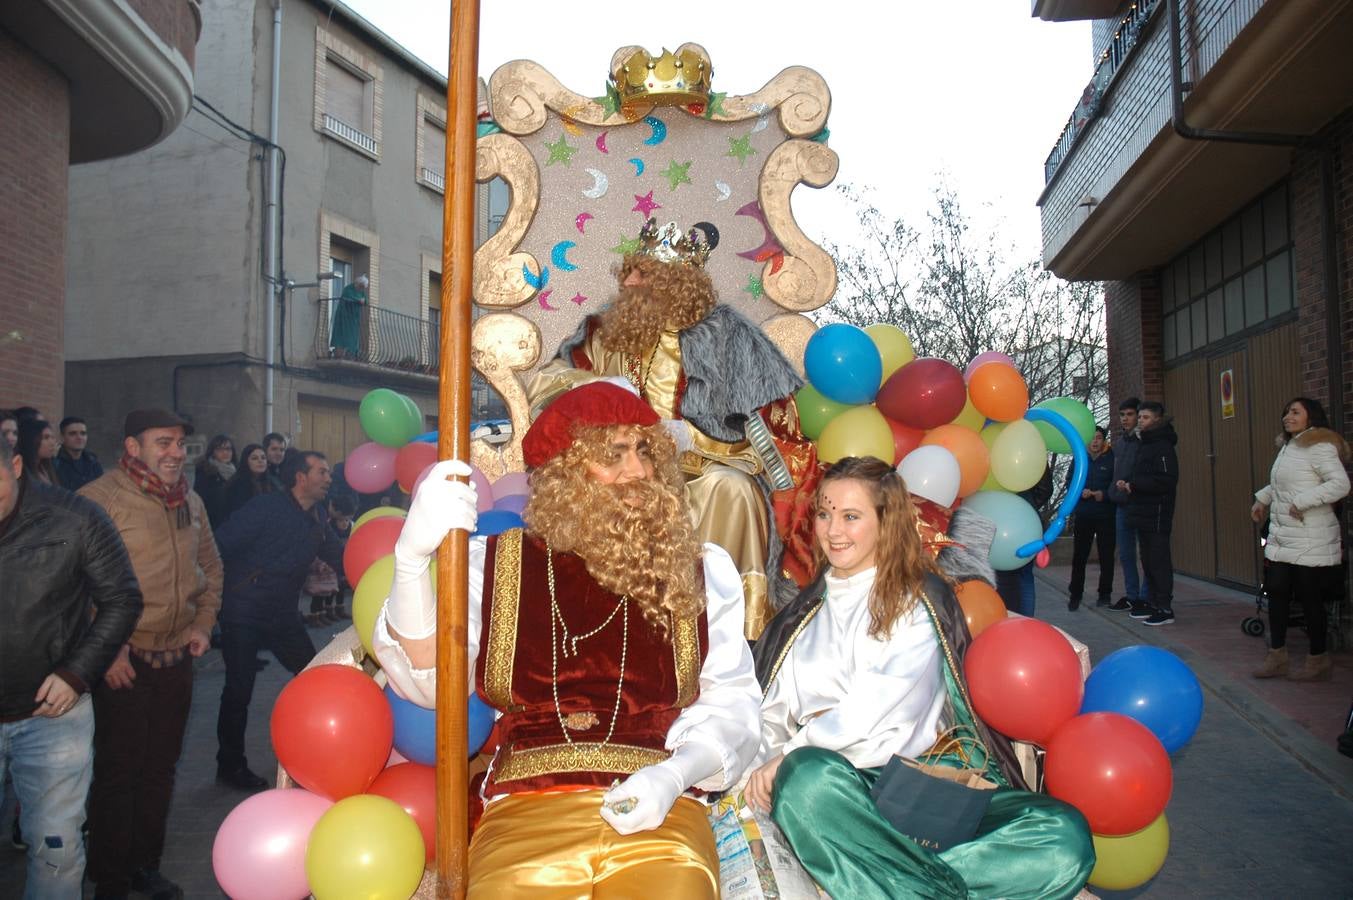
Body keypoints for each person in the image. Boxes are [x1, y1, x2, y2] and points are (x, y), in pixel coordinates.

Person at [374, 382, 761, 897]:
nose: (639, 472)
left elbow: (734, 705)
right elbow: (428, 684)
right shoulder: (492, 565)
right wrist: (410, 562)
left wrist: (675, 775)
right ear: (563, 474)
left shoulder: (702, 571)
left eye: (645, 451)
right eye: (613, 455)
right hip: (526, 811)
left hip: (661, 808)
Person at [745, 456, 1094, 899]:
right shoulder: (804, 611)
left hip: (920, 787)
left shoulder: (918, 600)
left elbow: (878, 708)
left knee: (1064, 836)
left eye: (851, 516)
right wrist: (762, 764)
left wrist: (792, 752)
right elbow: (771, 711)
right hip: (840, 799)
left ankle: (892, 882)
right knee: (804, 781)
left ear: (886, 522)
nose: (833, 530)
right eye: (824, 513)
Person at [527, 218, 817, 637]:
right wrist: (601, 386)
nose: (627, 281)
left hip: (701, 474)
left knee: (733, 491)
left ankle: (730, 634)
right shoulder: (603, 335)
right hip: (619, 477)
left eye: (641, 273)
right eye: (627, 270)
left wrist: (691, 440)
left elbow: (770, 430)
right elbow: (543, 385)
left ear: (673, 282)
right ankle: (611, 631)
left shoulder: (726, 338)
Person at [79, 409, 223, 900]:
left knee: (160, 769)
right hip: (122, 660)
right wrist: (107, 651)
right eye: (164, 442)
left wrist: (203, 623)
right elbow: (78, 586)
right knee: (119, 772)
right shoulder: (98, 500)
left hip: (176, 659)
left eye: (181, 443)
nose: (176, 453)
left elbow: (212, 567)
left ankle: (146, 866)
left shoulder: (192, 501)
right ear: (133, 447)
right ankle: (111, 878)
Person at [0, 436, 143, 898]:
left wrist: (75, 673)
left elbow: (122, 598)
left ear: (17, 465)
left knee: (56, 849)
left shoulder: (75, 517)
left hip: (52, 717)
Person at [213, 450, 344, 790]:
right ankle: (229, 765)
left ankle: (321, 749)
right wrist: (218, 596)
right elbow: (220, 545)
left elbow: (340, 557)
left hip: (282, 615)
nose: (329, 478)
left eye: (329, 472)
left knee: (312, 677)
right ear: (301, 477)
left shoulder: (318, 518)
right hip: (244, 611)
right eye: (322, 471)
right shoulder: (265, 507)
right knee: (238, 691)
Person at [1251, 397, 1349, 681]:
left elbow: (1340, 484)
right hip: (1283, 535)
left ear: (1311, 417)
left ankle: (1318, 659)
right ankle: (1277, 656)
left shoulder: (1319, 446)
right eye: (1286, 413)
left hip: (1310, 536)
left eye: (1295, 412)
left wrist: (1304, 501)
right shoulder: (1289, 446)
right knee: (1277, 591)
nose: (1287, 417)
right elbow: (1283, 484)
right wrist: (1262, 499)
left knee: (1309, 598)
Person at [1116, 400, 1179, 626]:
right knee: (1148, 559)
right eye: (1139, 417)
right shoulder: (1144, 443)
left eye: (1144, 418)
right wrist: (1129, 483)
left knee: (1159, 559)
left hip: (1157, 511)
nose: (1139, 421)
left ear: (1157, 420)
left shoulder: (1162, 445)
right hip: (1141, 509)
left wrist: (1136, 485)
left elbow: (1165, 480)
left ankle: (1164, 606)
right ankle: (1152, 602)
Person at [1066, 426, 1116, 610]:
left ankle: (1105, 594)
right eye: (1092, 438)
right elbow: (1069, 482)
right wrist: (1081, 492)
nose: (1095, 442)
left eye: (1098, 438)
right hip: (1084, 514)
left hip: (1106, 514)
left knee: (1106, 556)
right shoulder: (1080, 457)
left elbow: (1115, 484)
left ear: (1104, 440)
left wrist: (1104, 494)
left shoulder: (1112, 457)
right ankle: (1075, 594)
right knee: (1080, 556)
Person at [995, 460, 1053, 617]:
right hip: (1025, 521)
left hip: (996, 517)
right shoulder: (1030, 443)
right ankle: (1025, 624)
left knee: (1001, 578)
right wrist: (1028, 506)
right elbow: (1046, 489)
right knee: (1024, 577)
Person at [1106, 397, 1148, 612]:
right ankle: (1132, 595)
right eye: (1122, 415)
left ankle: (1145, 596)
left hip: (1139, 503)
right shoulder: (1120, 443)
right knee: (1125, 553)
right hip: (1121, 503)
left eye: (1130, 414)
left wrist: (1131, 485)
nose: (1125, 419)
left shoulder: (1144, 442)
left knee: (1146, 552)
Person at [303, 493, 356, 625]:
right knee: (319, 592)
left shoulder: (349, 525)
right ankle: (315, 615)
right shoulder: (324, 520)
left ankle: (331, 611)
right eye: (341, 519)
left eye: (347, 520)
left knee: (334, 589)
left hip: (335, 563)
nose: (344, 523)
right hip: (321, 564)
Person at [194, 434, 236, 529]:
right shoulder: (205, 473)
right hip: (213, 526)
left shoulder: (236, 473)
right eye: (220, 449)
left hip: (233, 527)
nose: (225, 452)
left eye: (228, 449)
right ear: (213, 452)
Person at [53, 416, 104, 493]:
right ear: (62, 437)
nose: (79, 437)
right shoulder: (55, 464)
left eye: (83, 433)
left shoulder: (93, 461)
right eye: (72, 434)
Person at [223, 443, 272, 521]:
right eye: (254, 458)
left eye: (263, 458)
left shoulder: (271, 483)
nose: (260, 461)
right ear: (246, 462)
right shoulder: (237, 485)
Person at [329, 274, 368, 359]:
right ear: (357, 283)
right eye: (361, 286)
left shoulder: (361, 291)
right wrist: (359, 300)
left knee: (353, 337)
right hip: (344, 316)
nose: (362, 289)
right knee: (341, 336)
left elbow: (366, 301)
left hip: (354, 318)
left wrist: (364, 301)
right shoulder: (348, 289)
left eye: (363, 287)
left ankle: (351, 354)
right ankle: (339, 354)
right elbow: (348, 297)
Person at [17, 418, 59, 486]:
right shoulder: (21, 472)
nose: (52, 443)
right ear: (30, 440)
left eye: (52, 437)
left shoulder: (46, 468)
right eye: (46, 437)